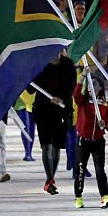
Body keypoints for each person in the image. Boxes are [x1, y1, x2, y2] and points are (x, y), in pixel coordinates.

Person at [31, 50, 77, 194]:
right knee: (46, 146)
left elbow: (71, 86)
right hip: (43, 110)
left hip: (61, 110)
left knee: (57, 146)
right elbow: (31, 89)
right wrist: (26, 77)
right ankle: (49, 179)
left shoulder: (68, 65)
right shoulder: (40, 64)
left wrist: (61, 98)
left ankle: (52, 177)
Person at [73, 71, 108, 209]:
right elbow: (76, 95)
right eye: (89, 85)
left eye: (94, 84)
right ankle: (78, 196)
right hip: (83, 140)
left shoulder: (103, 104)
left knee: (100, 170)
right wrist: (83, 77)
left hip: (98, 141)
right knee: (80, 169)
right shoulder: (83, 101)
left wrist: (105, 124)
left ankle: (104, 196)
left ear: (100, 88)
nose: (91, 87)